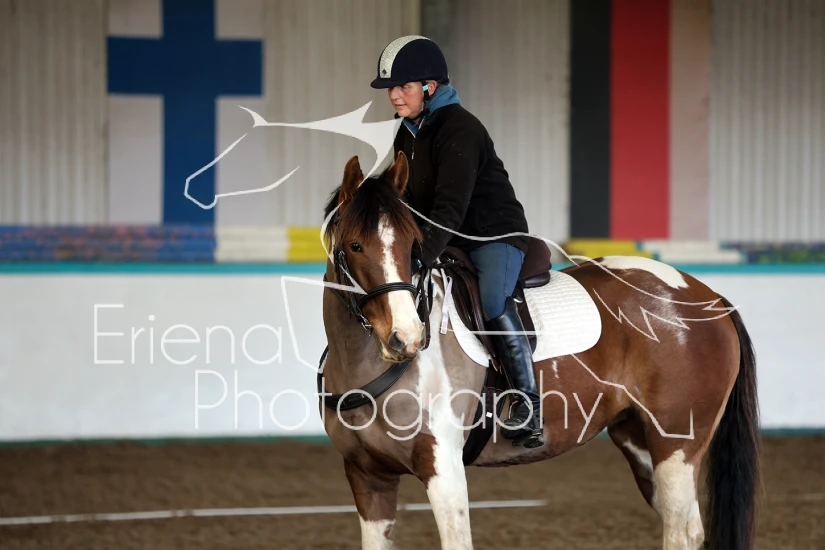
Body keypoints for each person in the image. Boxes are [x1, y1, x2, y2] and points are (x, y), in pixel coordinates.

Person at [370, 35, 544, 449]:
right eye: (390, 88)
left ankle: (528, 404)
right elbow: (404, 197)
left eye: (403, 87)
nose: (394, 95)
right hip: (451, 236)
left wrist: (421, 257)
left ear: (430, 87)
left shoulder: (461, 129)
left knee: (493, 300)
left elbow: (449, 207)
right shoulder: (407, 131)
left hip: (492, 234)